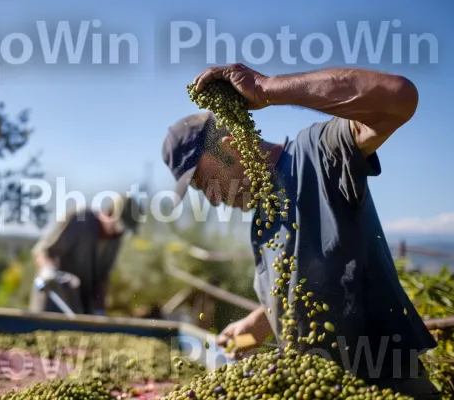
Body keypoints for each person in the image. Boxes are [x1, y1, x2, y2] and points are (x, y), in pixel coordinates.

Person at [162, 64, 441, 398]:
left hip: (387, 387)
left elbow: (397, 97)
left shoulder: (317, 154)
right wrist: (258, 324)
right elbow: (316, 286)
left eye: (202, 182)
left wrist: (267, 89)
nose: (210, 198)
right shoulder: (263, 223)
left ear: (232, 147)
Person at [30, 194, 142, 316]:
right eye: (120, 226)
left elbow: (102, 280)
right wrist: (48, 270)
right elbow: (42, 251)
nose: (120, 233)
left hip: (79, 310)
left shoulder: (115, 240)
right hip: (53, 303)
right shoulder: (80, 219)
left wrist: (99, 311)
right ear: (109, 213)